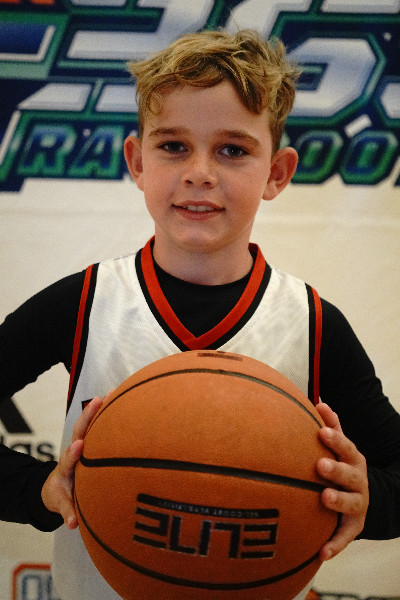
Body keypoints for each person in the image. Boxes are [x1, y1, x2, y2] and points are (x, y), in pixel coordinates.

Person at [1, 29, 400, 600]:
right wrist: (38, 489)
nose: (200, 172)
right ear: (137, 162)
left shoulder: (313, 324)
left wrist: (368, 499)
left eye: (233, 150)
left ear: (277, 173)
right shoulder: (84, 302)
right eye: (173, 146)